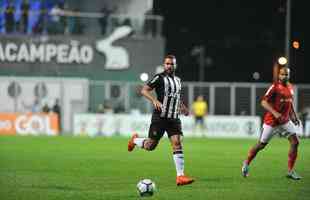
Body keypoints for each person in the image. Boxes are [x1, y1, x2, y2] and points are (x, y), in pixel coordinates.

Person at [127, 55, 194, 186]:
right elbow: (144, 90)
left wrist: (184, 108)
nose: (169, 66)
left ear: (175, 65)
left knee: (177, 142)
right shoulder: (159, 78)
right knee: (151, 146)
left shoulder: (178, 81)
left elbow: (176, 98)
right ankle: (135, 140)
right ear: (164, 65)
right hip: (160, 117)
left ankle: (180, 176)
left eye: (171, 64)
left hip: (174, 117)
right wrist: (154, 100)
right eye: (167, 64)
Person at [241, 66, 302, 180]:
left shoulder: (290, 87)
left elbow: (290, 103)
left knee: (295, 142)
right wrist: (275, 113)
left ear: (289, 75)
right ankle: (246, 163)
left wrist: (294, 115)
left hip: (284, 121)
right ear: (279, 75)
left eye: (286, 74)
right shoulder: (274, 87)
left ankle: (290, 171)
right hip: (272, 122)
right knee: (261, 145)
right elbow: (263, 102)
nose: (284, 76)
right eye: (282, 74)